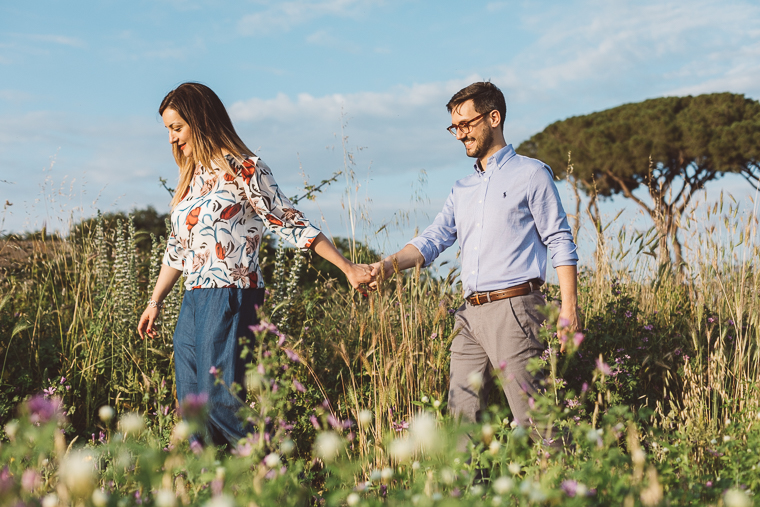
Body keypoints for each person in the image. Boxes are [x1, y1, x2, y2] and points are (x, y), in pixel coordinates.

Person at [137, 82, 373, 448]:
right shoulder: (190, 181)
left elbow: (288, 220)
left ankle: (274, 474)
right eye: (168, 130)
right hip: (193, 299)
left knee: (220, 403)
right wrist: (155, 301)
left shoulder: (245, 169)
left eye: (177, 127)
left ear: (199, 121)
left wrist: (347, 267)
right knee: (192, 408)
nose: (171, 138)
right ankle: (212, 489)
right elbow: (177, 249)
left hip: (230, 294)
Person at [369, 81, 580, 447]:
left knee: (537, 424)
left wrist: (569, 308)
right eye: (455, 127)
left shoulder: (531, 174)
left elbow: (559, 240)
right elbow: (432, 240)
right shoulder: (461, 188)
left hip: (516, 311)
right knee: (461, 426)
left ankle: (570, 491)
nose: (459, 135)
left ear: (493, 117)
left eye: (466, 124)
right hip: (469, 315)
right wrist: (385, 266)